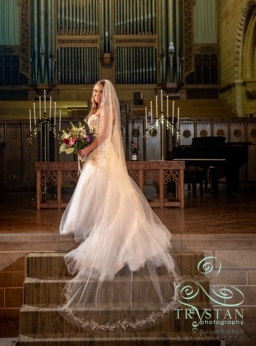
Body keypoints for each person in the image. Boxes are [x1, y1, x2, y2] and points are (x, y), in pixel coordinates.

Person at [59, 79, 179, 331]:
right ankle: (97, 228)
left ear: (107, 94)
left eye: (101, 92)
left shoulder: (108, 111)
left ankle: (109, 233)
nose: (97, 96)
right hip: (94, 160)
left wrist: (86, 149)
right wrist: (79, 144)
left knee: (109, 199)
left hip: (103, 160)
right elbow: (92, 133)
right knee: (95, 199)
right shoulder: (94, 111)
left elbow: (103, 138)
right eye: (94, 92)